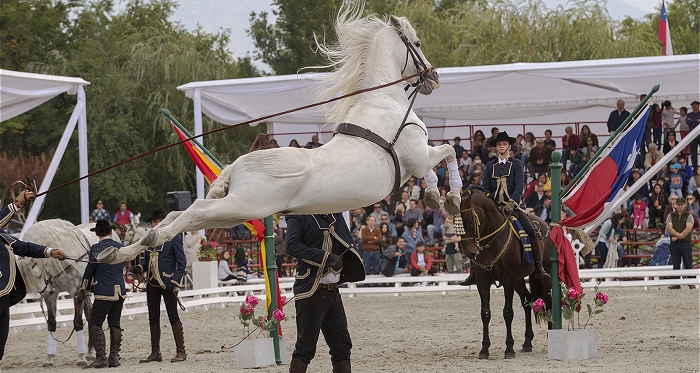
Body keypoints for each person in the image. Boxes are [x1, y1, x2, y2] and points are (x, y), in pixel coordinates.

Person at [462, 132, 549, 286]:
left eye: (504, 144)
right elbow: (487, 188)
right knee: (475, 231)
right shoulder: (490, 165)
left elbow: (519, 186)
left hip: (513, 206)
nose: (501, 147)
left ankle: (538, 266)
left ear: (509, 146)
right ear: (495, 148)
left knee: (531, 230)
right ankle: (474, 271)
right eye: (498, 145)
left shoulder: (516, 164)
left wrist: (512, 202)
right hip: (494, 207)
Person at [285, 213, 364, 373]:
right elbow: (291, 246)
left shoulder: (334, 212)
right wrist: (324, 257)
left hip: (333, 291)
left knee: (342, 346)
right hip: (311, 291)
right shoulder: (299, 214)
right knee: (305, 348)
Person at [1, 191, 67, 361]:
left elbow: (24, 247)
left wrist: (50, 251)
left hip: (4, 293)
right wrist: (15, 204)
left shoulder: (3, 236)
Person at [132, 208, 187, 363]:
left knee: (172, 316)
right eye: (154, 221)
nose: (156, 224)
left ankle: (181, 352)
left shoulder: (173, 237)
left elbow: (182, 262)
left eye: (159, 221)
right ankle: (155, 352)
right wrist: (141, 268)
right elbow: (147, 261)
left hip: (167, 283)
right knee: (153, 317)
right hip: (151, 283)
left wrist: (174, 281)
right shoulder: (151, 240)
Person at [78, 219, 126, 368]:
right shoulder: (120, 246)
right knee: (115, 324)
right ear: (111, 232)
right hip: (119, 292)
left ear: (97, 233)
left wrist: (83, 288)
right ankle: (114, 358)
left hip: (104, 292)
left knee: (95, 323)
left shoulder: (96, 248)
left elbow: (89, 271)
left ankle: (101, 358)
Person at [665, 197, 696, 289]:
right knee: (675, 263)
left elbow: (689, 228)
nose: (680, 206)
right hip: (675, 242)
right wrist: (679, 235)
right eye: (678, 204)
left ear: (685, 205)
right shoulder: (671, 215)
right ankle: (676, 282)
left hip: (685, 242)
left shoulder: (688, 215)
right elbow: (669, 228)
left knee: (688, 262)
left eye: (681, 204)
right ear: (675, 205)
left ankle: (691, 282)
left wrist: (677, 236)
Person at [686, 100, 700, 170]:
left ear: (698, 106)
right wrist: (697, 120)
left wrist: (692, 121)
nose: (694, 106)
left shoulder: (690, 116)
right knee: (693, 153)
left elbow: (690, 121)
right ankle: (695, 169)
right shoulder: (689, 114)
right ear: (691, 106)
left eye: (696, 105)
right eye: (693, 105)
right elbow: (687, 121)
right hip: (692, 136)